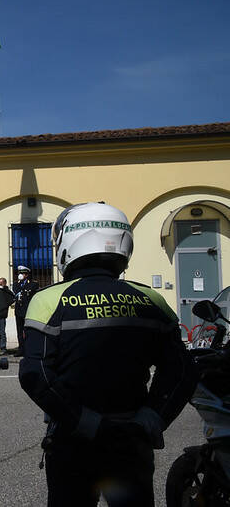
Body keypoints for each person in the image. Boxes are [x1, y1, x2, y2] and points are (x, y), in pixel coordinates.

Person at [18, 202, 197, 507]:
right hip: (131, 438)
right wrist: (153, 417)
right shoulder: (150, 298)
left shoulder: (48, 299)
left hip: (74, 440)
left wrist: (84, 421)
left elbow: (36, 375)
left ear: (69, 242)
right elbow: (182, 370)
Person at [12, 265, 39, 357]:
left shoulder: (33, 284)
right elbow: (16, 292)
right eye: (19, 273)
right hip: (19, 311)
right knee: (19, 331)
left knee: (28, 331)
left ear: (26, 275)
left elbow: (30, 293)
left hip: (28, 311)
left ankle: (29, 349)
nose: (20, 275)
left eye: (22, 273)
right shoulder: (16, 284)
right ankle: (21, 349)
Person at [0, 277, 9, 354]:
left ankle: (3, 348)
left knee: (2, 332)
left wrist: (4, 288)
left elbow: (8, 299)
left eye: (1, 283)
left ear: (4, 283)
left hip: (1, 315)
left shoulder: (6, 292)